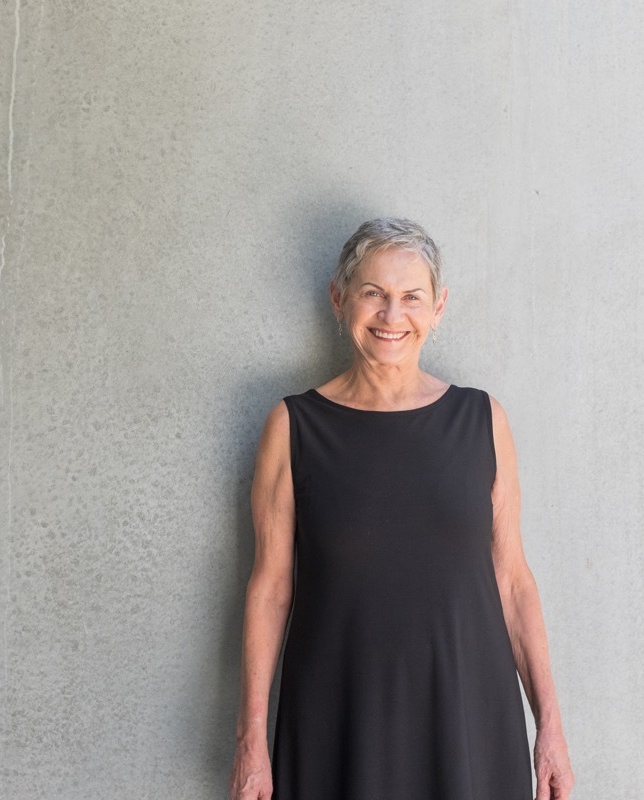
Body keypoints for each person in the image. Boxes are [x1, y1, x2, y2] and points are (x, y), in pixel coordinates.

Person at [228, 218, 574, 800]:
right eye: (373, 293)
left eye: (412, 297)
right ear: (339, 299)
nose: (392, 315)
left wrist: (551, 730)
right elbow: (270, 588)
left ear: (438, 308)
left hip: (468, 718)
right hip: (339, 722)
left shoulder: (482, 421)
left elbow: (513, 581)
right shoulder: (293, 427)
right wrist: (250, 739)